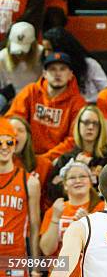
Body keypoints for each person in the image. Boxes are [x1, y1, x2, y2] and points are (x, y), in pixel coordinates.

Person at [6, 52, 86, 160]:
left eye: (62, 69)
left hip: (59, 160)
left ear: (70, 74)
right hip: (26, 155)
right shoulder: (31, 91)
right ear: (44, 73)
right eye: (52, 69)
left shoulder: (78, 102)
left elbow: (73, 139)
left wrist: (46, 159)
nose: (58, 74)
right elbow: (12, 121)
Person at [47, 105, 107, 202]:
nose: (90, 127)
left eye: (95, 123)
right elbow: (52, 191)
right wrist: (77, 166)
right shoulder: (66, 158)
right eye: (86, 122)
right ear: (78, 125)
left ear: (100, 127)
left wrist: (68, 180)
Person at [0, 118, 41, 276]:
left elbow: (34, 227)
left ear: (15, 144)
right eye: (0, 143)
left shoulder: (30, 182)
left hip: (15, 259)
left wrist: (36, 267)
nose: (4, 147)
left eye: (9, 143)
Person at [39, 162, 104, 259]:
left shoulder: (103, 209)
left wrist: (88, 226)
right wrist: (55, 219)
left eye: (82, 176)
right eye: (72, 178)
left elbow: (105, 249)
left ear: (90, 182)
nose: (78, 180)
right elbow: (47, 250)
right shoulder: (55, 209)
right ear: (65, 185)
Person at [43, 27, 107, 103]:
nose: (46, 54)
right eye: (45, 49)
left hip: (90, 107)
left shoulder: (89, 64)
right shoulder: (47, 66)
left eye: (50, 50)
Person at [8, 115, 53, 207]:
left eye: (20, 130)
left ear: (28, 137)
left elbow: (47, 202)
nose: (15, 133)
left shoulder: (44, 165)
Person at [0, 22, 43, 112]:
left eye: (24, 52)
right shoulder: (2, 57)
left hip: (36, 102)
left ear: (33, 46)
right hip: (10, 104)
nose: (20, 55)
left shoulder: (42, 55)